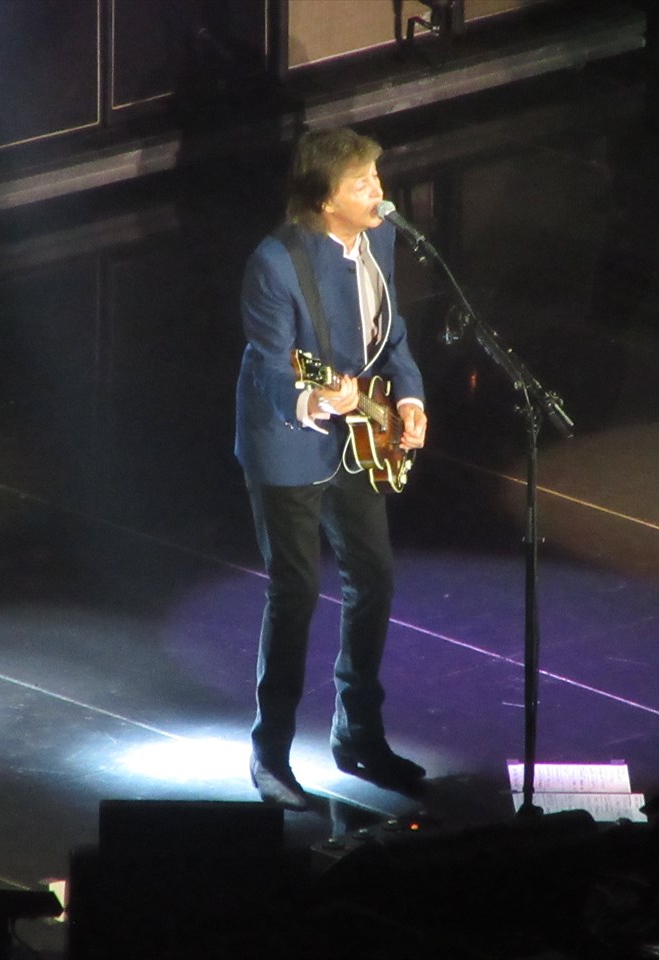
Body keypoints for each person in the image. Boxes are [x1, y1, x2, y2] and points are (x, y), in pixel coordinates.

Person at [234, 127, 428, 810]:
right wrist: (317, 396)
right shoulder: (276, 263)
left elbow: (391, 333)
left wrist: (408, 397)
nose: (379, 192)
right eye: (361, 183)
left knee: (373, 578)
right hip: (289, 440)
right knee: (296, 593)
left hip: (359, 438)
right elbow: (272, 367)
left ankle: (358, 733)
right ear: (324, 201)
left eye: (377, 176)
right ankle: (270, 754)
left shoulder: (381, 237)